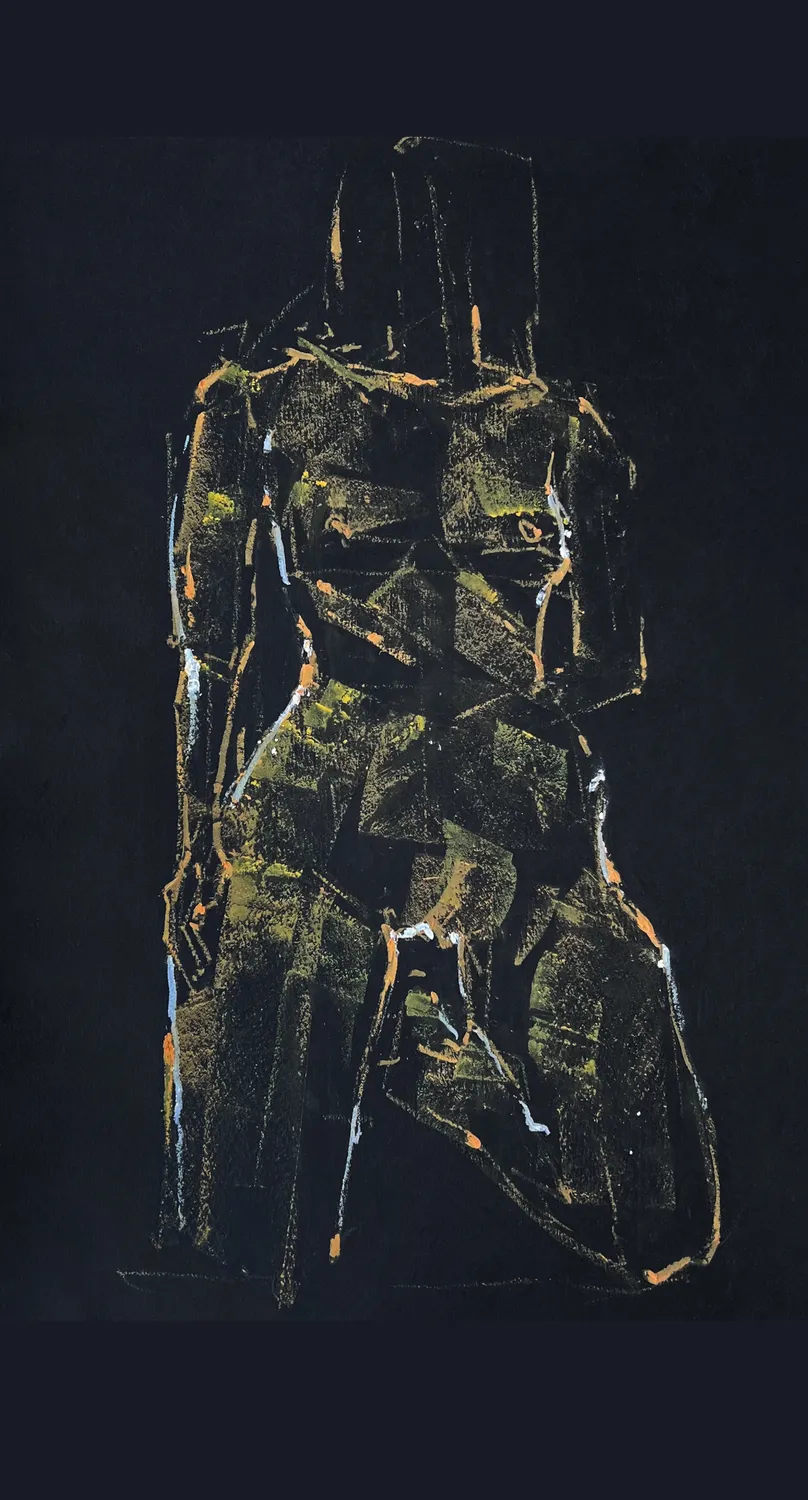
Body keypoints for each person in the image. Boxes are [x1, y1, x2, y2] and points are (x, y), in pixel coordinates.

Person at [158, 136, 720, 1309]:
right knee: (241, 1229)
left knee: (658, 1227)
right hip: (332, 799)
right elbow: (213, 644)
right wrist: (201, 846)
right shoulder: (260, 408)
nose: (432, 262)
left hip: (495, 801)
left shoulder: (564, 431)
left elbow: (609, 661)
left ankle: (442, 1076)